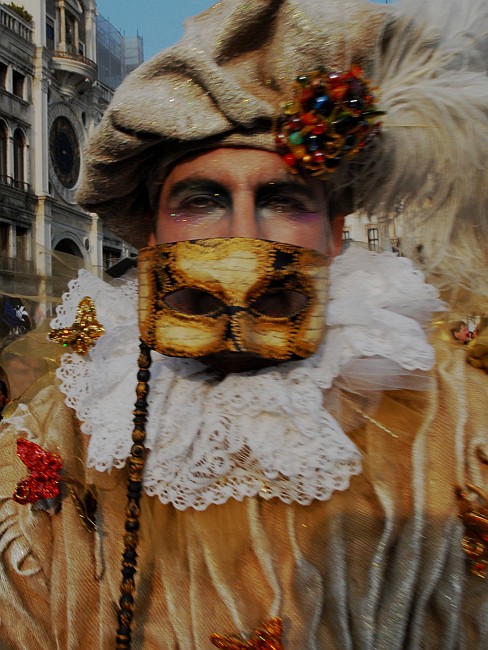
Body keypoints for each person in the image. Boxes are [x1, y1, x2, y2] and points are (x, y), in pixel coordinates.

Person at [1, 0, 487, 648]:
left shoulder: (456, 409)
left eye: (282, 200)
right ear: (150, 234)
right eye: (201, 201)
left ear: (336, 235)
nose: (241, 237)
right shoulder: (63, 420)